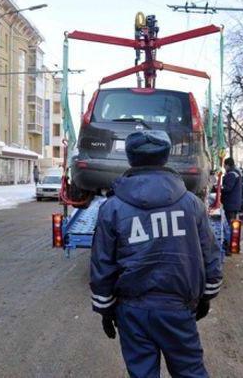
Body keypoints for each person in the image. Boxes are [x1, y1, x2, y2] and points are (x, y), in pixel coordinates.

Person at [90, 130, 223, 378]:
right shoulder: (191, 204)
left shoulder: (113, 208)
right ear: (165, 157)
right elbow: (210, 254)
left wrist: (105, 309)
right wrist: (206, 296)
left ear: (130, 158)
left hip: (132, 313)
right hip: (178, 310)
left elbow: (102, 264)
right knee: (190, 373)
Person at [221, 157, 243, 223]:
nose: (224, 167)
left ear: (228, 165)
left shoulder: (232, 174)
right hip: (233, 202)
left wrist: (219, 187)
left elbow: (228, 188)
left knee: (230, 222)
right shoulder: (235, 172)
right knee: (232, 221)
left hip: (231, 203)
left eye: (224, 165)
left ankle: (231, 233)